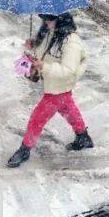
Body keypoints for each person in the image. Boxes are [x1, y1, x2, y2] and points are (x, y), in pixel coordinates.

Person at [7, 13, 91, 168]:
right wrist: (33, 47)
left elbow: (68, 70)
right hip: (55, 83)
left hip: (60, 83)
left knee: (37, 118)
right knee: (67, 108)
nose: (46, 22)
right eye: (44, 19)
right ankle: (83, 137)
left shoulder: (71, 42)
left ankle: (24, 149)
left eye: (49, 19)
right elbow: (46, 53)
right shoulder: (52, 33)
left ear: (60, 19)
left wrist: (43, 67)